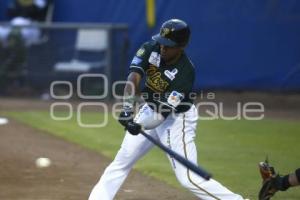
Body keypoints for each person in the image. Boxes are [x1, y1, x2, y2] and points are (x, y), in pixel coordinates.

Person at [89, 19, 245, 200]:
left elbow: (160, 116)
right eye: (162, 42)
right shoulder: (151, 47)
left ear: (182, 46)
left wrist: (138, 125)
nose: (163, 48)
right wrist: (127, 109)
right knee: (122, 161)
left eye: (169, 45)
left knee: (188, 179)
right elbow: (133, 78)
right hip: (150, 109)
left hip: (176, 119)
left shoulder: (185, 71)